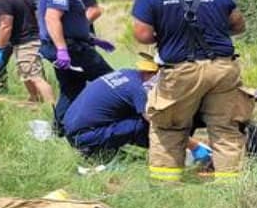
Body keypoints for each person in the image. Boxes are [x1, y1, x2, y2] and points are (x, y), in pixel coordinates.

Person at [131, 0, 251, 184]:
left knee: (169, 129)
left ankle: (166, 187)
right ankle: (231, 187)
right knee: (225, 129)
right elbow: (238, 25)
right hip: (223, 69)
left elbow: (143, 35)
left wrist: (167, 33)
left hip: (181, 71)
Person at [63, 51, 214, 164]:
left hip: (75, 128)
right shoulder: (138, 90)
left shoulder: (126, 74)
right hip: (85, 137)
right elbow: (158, 124)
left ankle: (106, 149)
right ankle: (167, 155)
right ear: (155, 73)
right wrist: (194, 146)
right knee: (146, 124)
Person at [38, 0, 115, 129]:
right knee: (113, 82)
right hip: (72, 50)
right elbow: (52, 18)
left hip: (68, 45)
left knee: (71, 89)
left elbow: (69, 22)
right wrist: (62, 49)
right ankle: (117, 124)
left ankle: (59, 130)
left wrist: (90, 38)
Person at [0, 0, 54, 105]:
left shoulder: (4, 0)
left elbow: (6, 26)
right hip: (28, 40)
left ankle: (53, 108)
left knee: (35, 77)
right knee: (26, 74)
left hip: (27, 42)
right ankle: (35, 101)